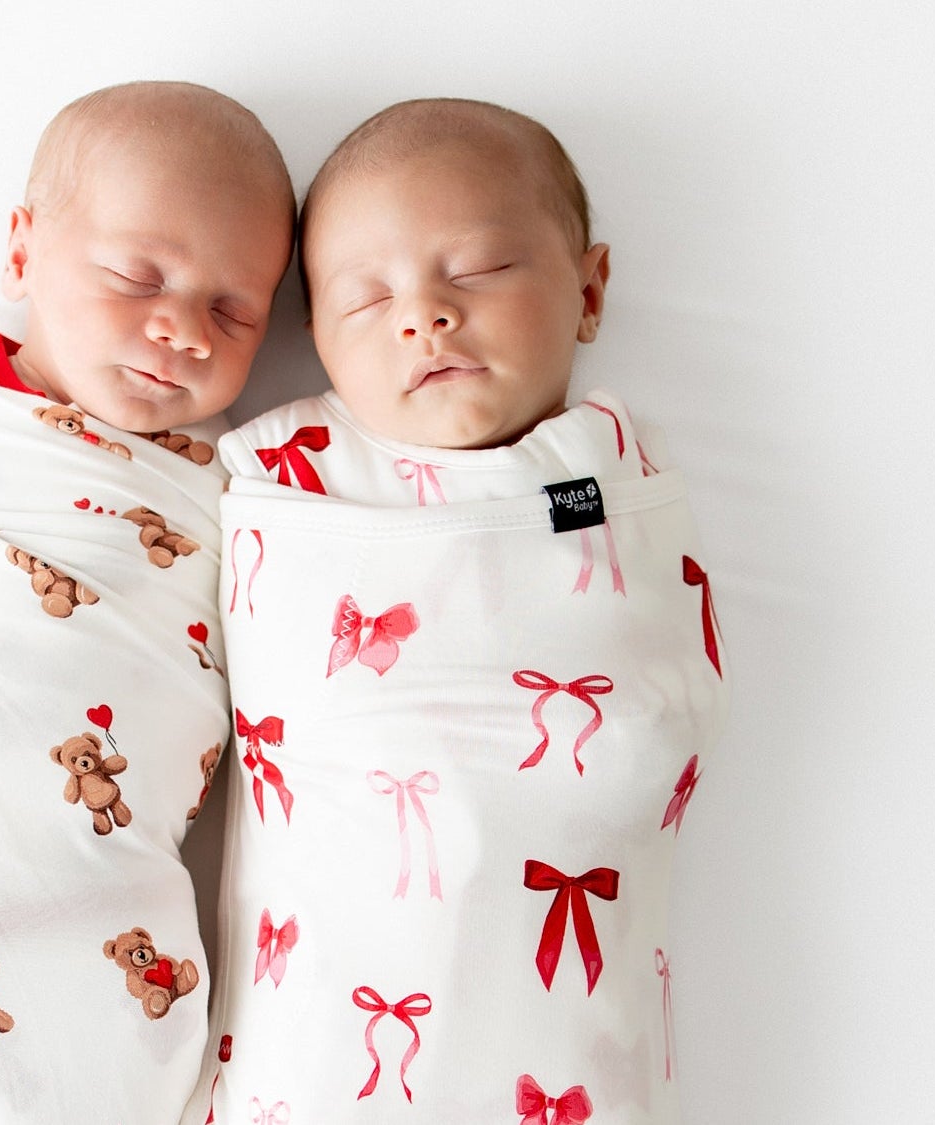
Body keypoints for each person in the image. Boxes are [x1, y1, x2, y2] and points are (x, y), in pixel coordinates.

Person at [190, 99, 730, 1124]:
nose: (424, 315)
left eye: (477, 270)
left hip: (571, 1053)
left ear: (589, 290)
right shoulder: (282, 475)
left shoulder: (614, 473)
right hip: (321, 1058)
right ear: (318, 340)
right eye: (365, 298)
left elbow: (657, 712)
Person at [0, 81, 293, 1124]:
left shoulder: (233, 486)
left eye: (233, 311)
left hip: (110, 888)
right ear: (22, 251)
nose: (180, 328)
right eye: (136, 276)